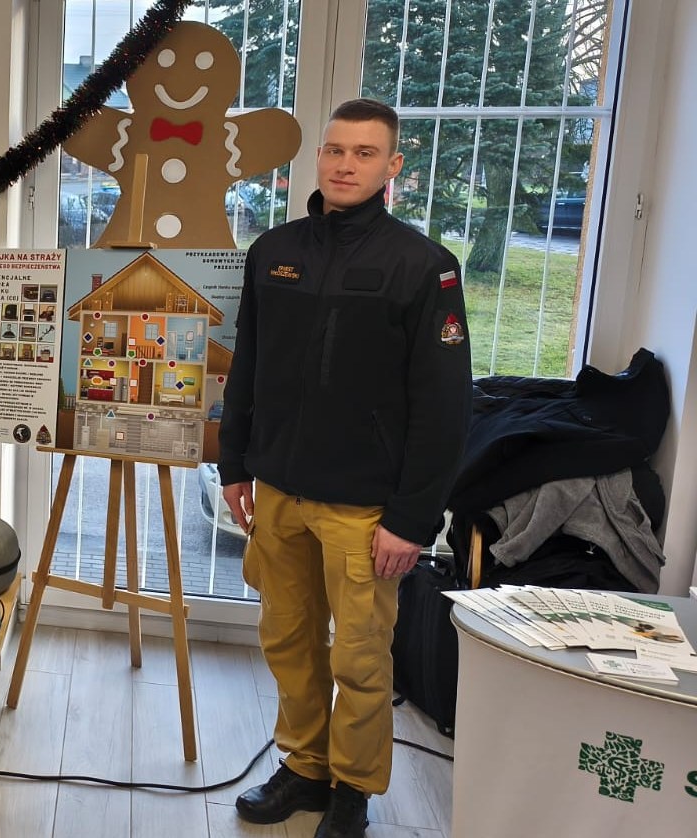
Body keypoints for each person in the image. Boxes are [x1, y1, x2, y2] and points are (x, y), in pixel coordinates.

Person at [218, 98, 471, 838]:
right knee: (288, 642)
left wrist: (412, 519)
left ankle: (353, 789)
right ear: (319, 158)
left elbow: (444, 405)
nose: (345, 165)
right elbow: (248, 365)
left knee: (359, 659)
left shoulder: (423, 267)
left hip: (365, 508)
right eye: (335, 150)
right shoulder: (274, 251)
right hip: (279, 492)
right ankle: (304, 767)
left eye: (364, 153)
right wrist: (234, 465)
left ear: (393, 166)